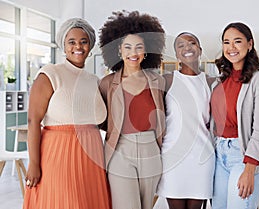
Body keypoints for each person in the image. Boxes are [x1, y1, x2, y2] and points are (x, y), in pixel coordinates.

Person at [23, 18, 111, 209]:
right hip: (58, 154)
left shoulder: (95, 80)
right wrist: (34, 163)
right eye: (72, 42)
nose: (78, 46)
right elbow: (33, 121)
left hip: (93, 156)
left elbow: (102, 120)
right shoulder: (50, 73)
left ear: (90, 46)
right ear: (63, 45)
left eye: (83, 41)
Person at [98, 11, 166, 209]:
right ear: (119, 50)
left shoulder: (158, 82)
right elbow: (101, 120)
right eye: (127, 47)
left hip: (151, 150)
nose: (133, 52)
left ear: (146, 52)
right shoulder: (107, 84)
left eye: (138, 47)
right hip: (120, 150)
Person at [210, 22, 259, 209]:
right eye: (226, 42)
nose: (231, 48)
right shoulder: (219, 82)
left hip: (243, 155)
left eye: (237, 41)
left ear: (250, 44)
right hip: (219, 153)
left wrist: (249, 168)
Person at [156, 32, 215, 209]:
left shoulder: (212, 82)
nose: (187, 47)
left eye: (192, 43)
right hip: (173, 158)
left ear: (200, 49)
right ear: (176, 54)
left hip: (202, 158)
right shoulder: (166, 80)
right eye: (180, 45)